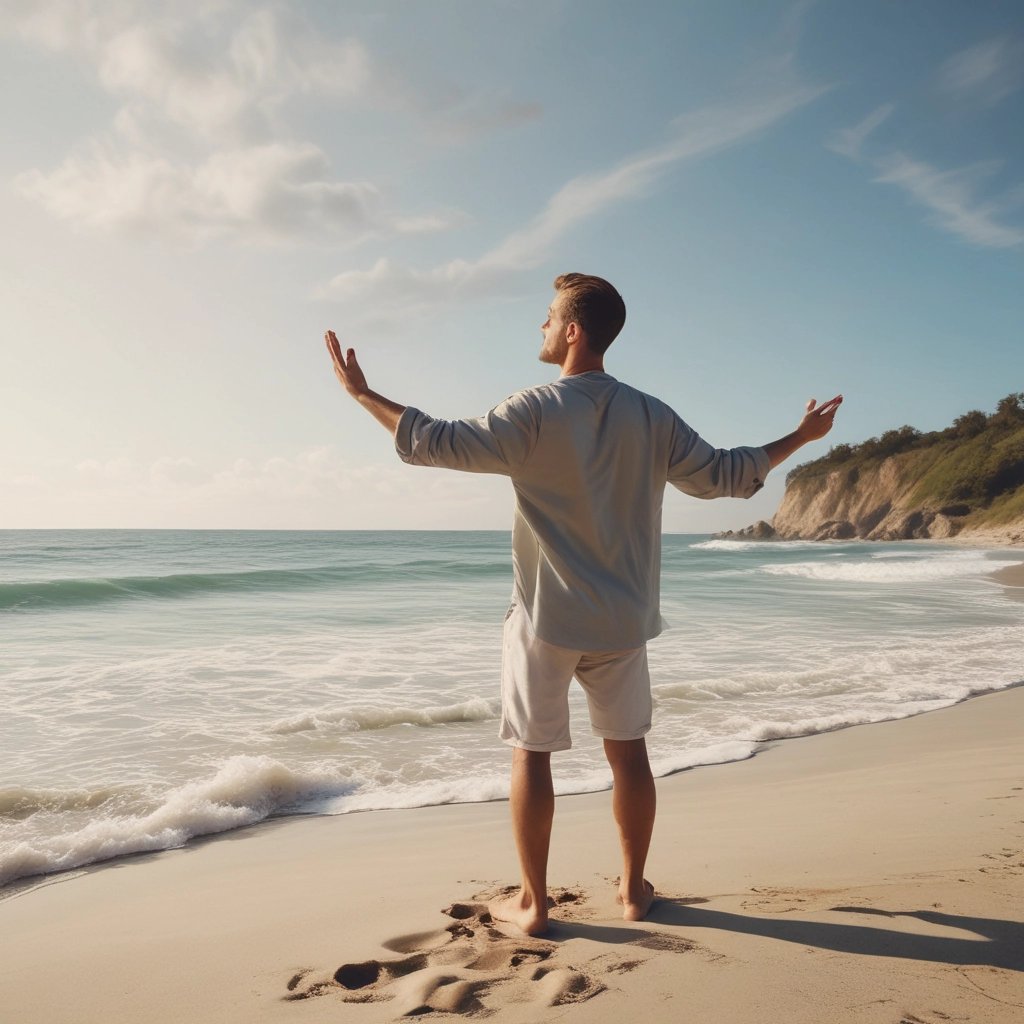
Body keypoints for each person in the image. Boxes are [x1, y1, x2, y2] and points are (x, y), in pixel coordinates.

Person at [325, 272, 842, 936]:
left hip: (545, 616)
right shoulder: (653, 415)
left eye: (547, 317)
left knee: (531, 754)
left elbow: (436, 442)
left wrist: (363, 394)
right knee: (628, 754)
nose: (539, 327)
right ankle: (632, 891)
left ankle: (536, 904)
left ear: (573, 330)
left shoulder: (534, 408)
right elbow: (729, 477)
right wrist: (800, 436)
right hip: (622, 621)